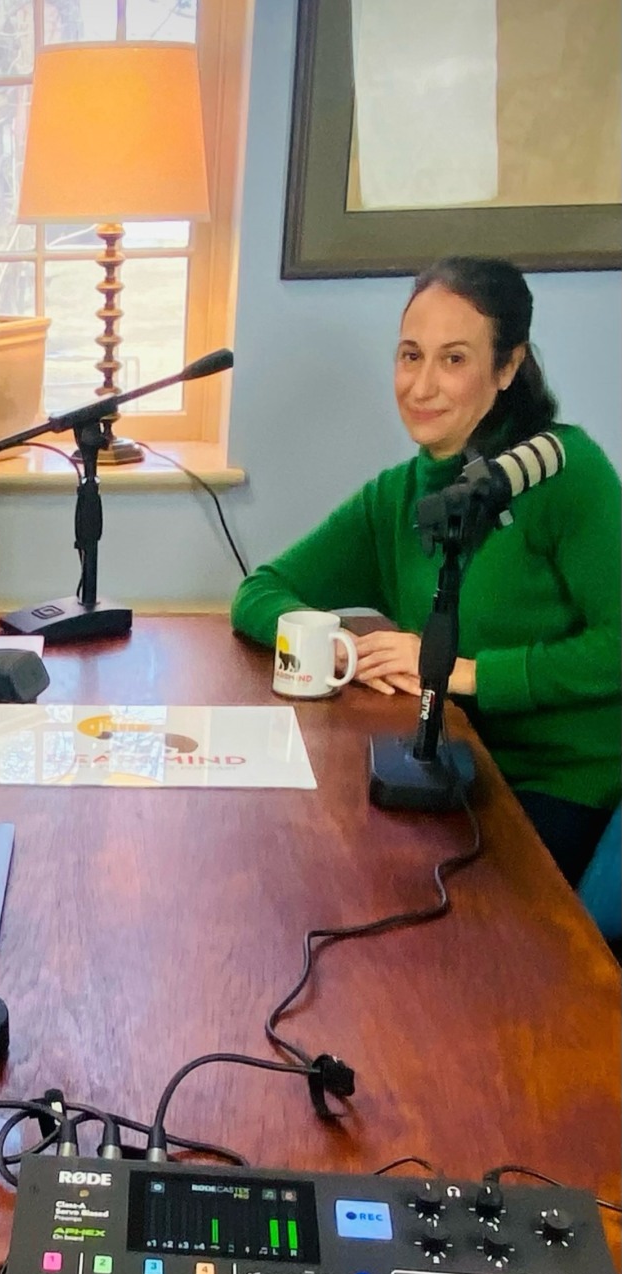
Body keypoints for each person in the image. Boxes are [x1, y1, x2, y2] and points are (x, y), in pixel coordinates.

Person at [231, 257, 621, 884]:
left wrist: (464, 672)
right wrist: (332, 646)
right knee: (306, 868)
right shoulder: (397, 497)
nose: (422, 386)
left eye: (455, 359)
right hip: (446, 756)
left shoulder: (566, 472)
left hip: (561, 786)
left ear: (508, 366)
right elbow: (259, 591)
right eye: (411, 356)